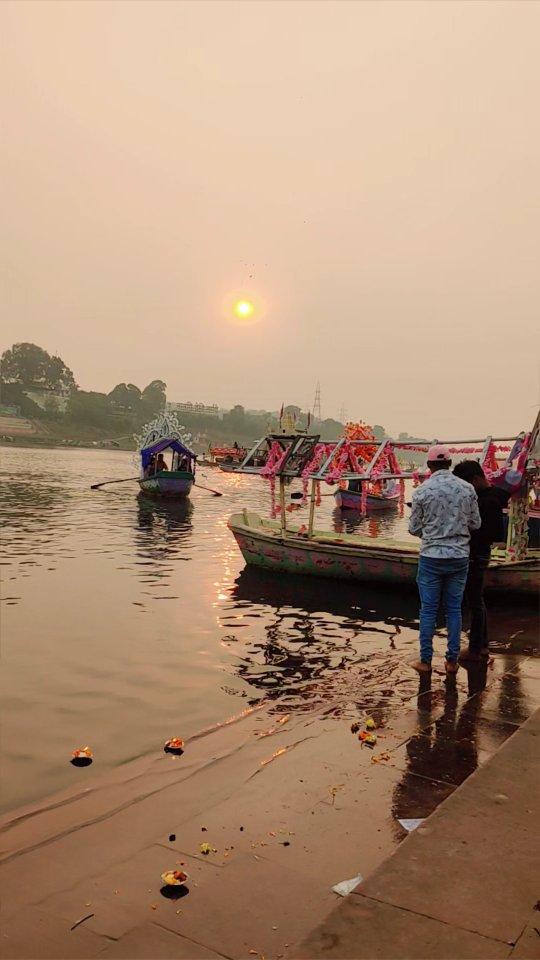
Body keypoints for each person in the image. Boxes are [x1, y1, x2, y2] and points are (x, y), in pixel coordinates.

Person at [408, 444, 481, 674]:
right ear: (449, 463)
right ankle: (451, 662)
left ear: (429, 465)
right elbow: (476, 523)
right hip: (459, 557)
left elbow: (413, 528)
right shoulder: (467, 489)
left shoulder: (421, 491)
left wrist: (430, 533)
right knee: (454, 609)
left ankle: (426, 662)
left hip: (431, 557)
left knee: (428, 610)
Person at [452, 460, 509, 661]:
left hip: (476, 554)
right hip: (477, 552)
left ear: (476, 479)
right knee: (476, 599)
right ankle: (481, 646)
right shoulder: (487, 496)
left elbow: (492, 533)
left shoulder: (489, 501)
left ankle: (477, 648)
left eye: (466, 483)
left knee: (474, 600)